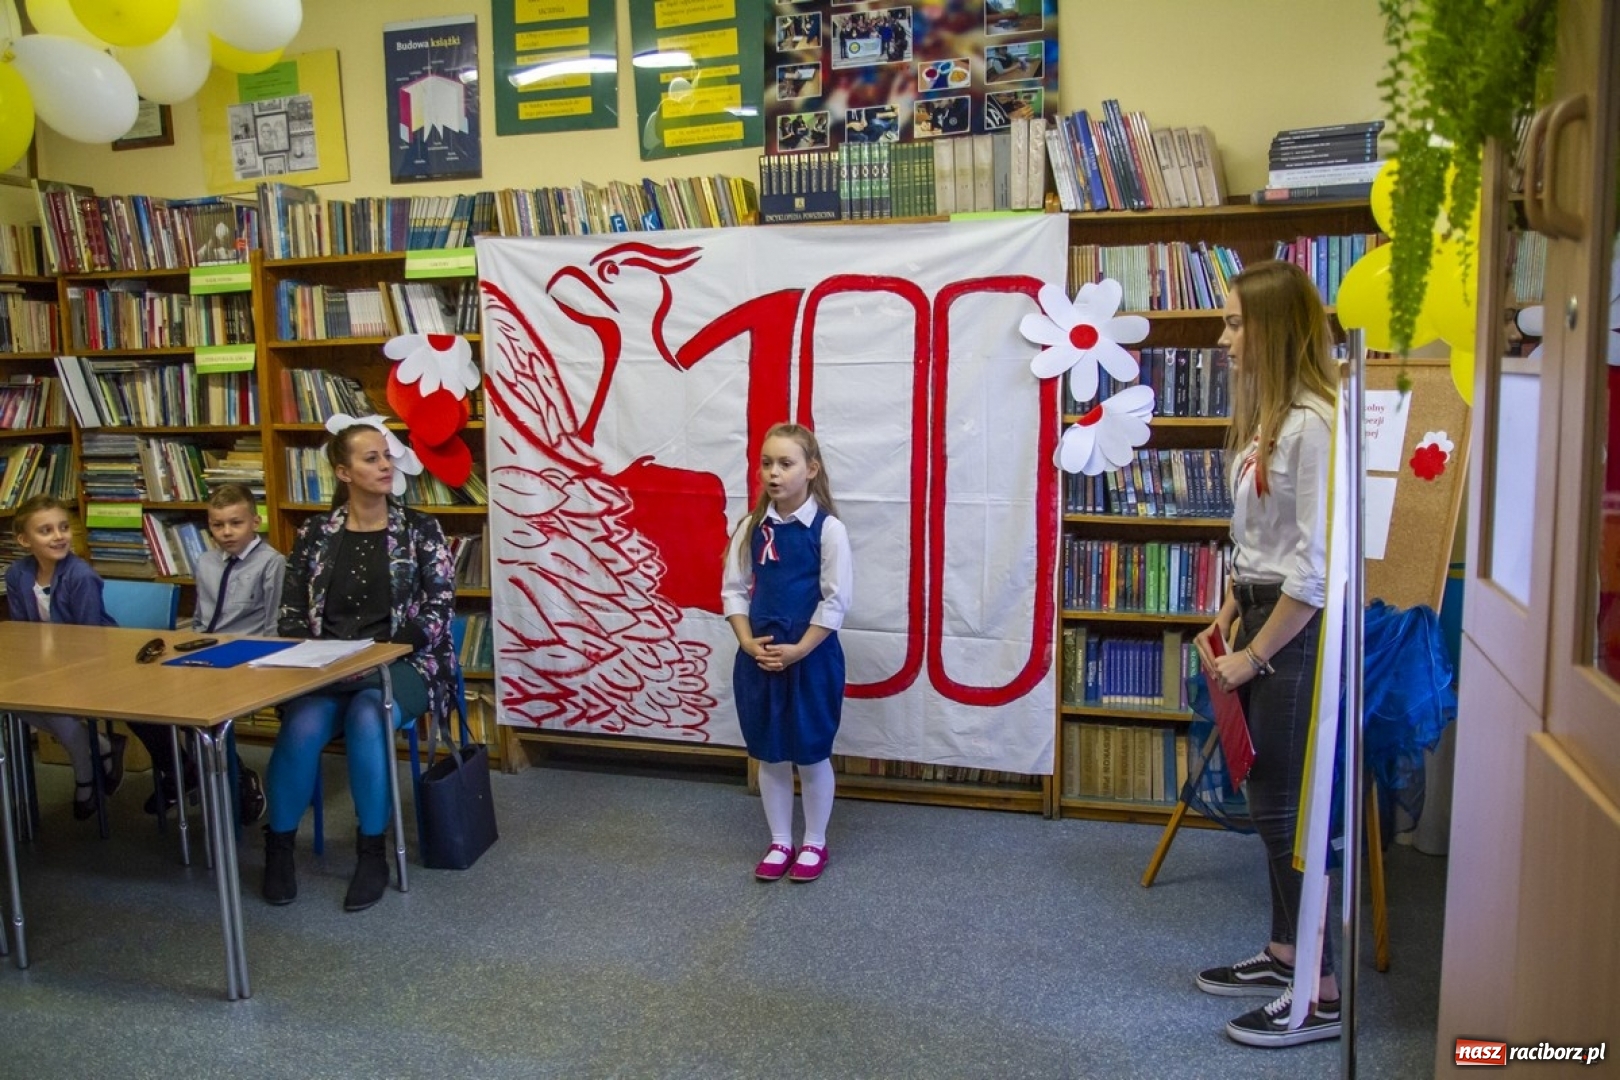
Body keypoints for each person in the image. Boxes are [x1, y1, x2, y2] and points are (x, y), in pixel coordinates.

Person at [1192, 259, 1341, 1048]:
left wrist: (1252, 656)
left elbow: (1313, 570)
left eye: (1235, 323)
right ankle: (1286, 952)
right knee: (1264, 799)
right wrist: (1225, 619)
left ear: (1274, 330)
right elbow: (1255, 540)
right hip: (1254, 612)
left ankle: (1319, 990)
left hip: (1292, 630)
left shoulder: (1316, 421)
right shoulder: (1270, 417)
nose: (1224, 338)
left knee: (1288, 808)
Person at [263, 420, 456, 911]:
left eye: (386, 455)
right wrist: (305, 654)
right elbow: (289, 611)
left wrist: (393, 648)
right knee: (303, 723)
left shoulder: (420, 529)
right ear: (343, 472)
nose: (385, 465)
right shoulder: (315, 533)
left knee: (369, 715)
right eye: (371, 458)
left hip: (404, 662)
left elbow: (440, 605)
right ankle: (279, 848)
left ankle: (373, 852)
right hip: (329, 665)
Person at [722, 423, 853, 884]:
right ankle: (781, 841)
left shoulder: (828, 530)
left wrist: (799, 650)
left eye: (785, 463)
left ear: (811, 470)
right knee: (771, 754)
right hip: (760, 659)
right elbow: (734, 591)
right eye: (766, 464)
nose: (773, 473)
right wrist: (745, 640)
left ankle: (814, 841)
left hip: (810, 658)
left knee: (811, 753)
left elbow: (835, 601)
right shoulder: (751, 527)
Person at [5, 495, 126, 819]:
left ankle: (85, 776)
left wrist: (53, 673)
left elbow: (87, 638)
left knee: (56, 709)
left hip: (91, 660)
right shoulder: (17, 575)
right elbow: (22, 633)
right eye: (45, 531)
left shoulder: (80, 576)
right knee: (13, 702)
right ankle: (99, 745)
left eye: (62, 528)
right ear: (24, 540)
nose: (58, 536)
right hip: (45, 663)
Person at [192, 482, 287, 825]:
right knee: (163, 708)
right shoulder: (205, 562)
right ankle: (197, 775)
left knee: (210, 715)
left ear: (255, 522)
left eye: (236, 523)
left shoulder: (272, 563)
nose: (227, 532)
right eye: (218, 525)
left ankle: (234, 786)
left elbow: (274, 626)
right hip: (207, 653)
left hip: (249, 656)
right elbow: (202, 620)